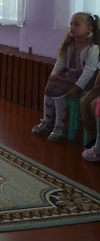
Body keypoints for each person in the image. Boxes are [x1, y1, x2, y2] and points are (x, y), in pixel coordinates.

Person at [32, 12, 100, 143]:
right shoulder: (68, 45)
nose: (72, 27)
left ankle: (60, 126)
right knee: (49, 90)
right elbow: (60, 64)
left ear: (89, 29)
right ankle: (47, 121)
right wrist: (52, 79)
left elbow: (89, 72)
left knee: (59, 93)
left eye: (77, 25)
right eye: (71, 24)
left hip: (82, 82)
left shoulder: (92, 49)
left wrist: (76, 88)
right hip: (66, 77)